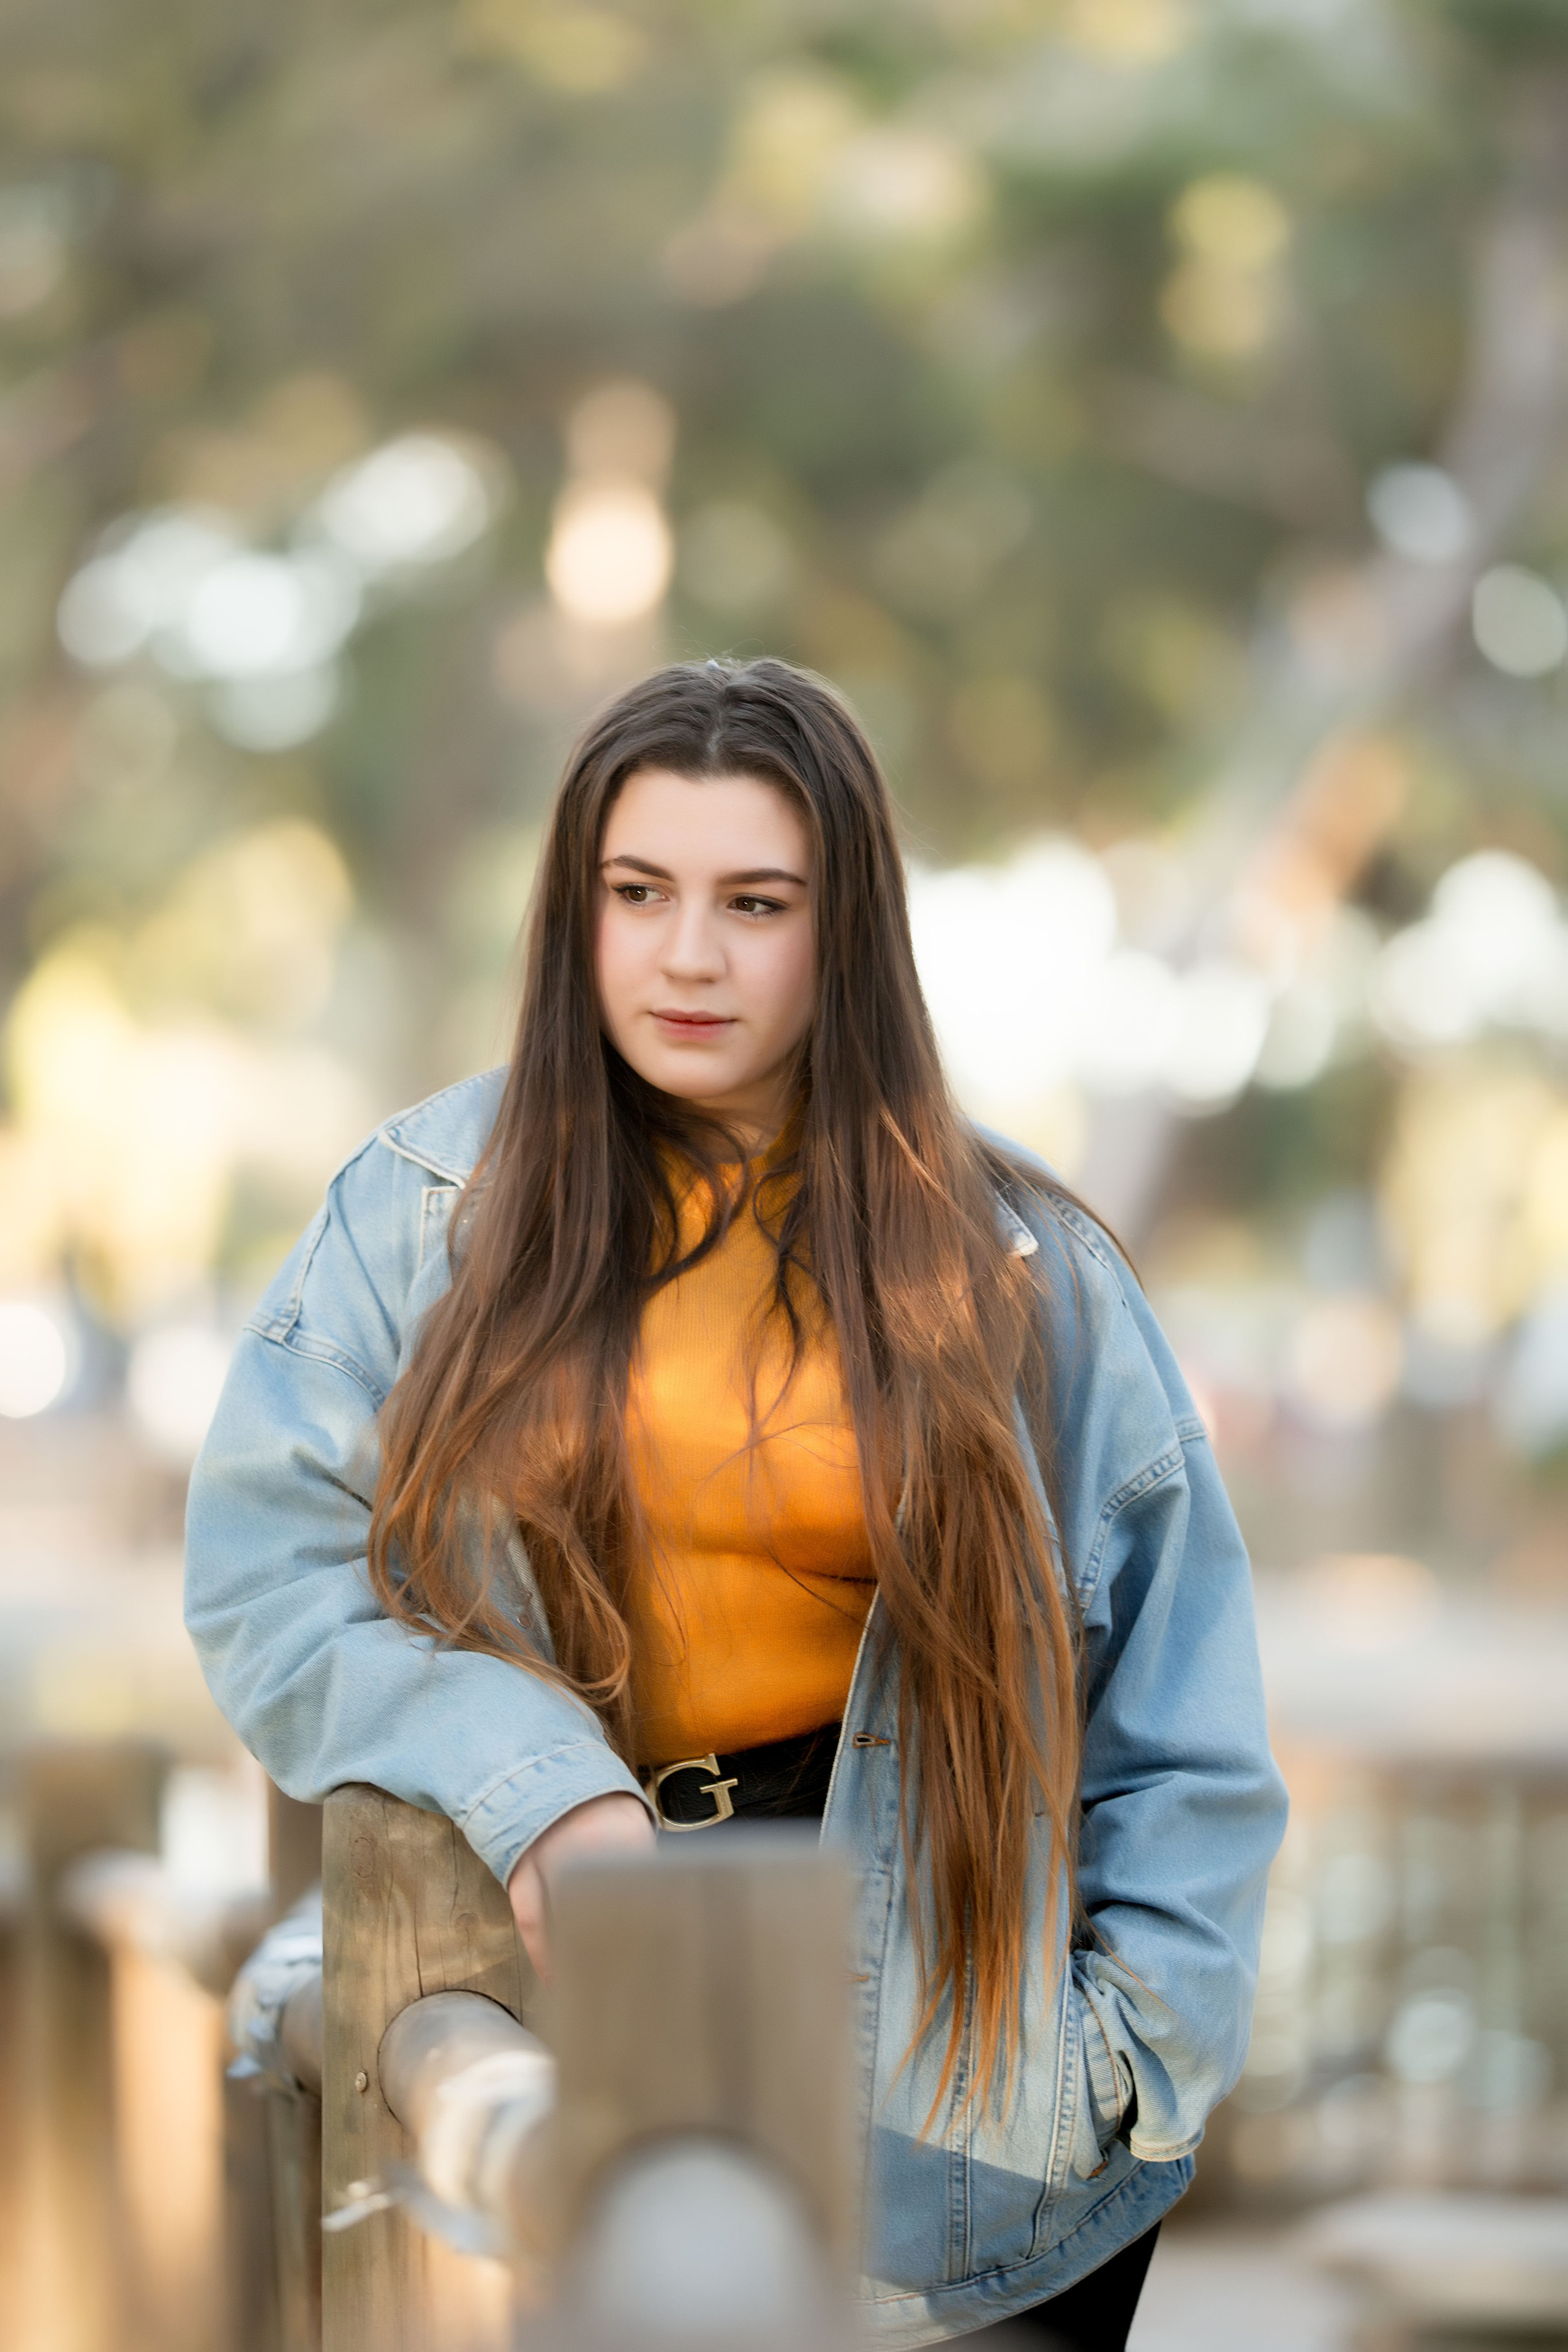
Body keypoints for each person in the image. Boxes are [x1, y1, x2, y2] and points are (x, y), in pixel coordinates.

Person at [186, 656, 1287, 2348]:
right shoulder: (418, 1214)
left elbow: (1182, 1711)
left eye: (755, 903)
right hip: (589, 1992)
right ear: (577, 911)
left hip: (974, 2107)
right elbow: (271, 1577)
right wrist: (534, 1783)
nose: (687, 955)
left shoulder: (1024, 1269)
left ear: (844, 933)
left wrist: (1130, 2055)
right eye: (639, 892)